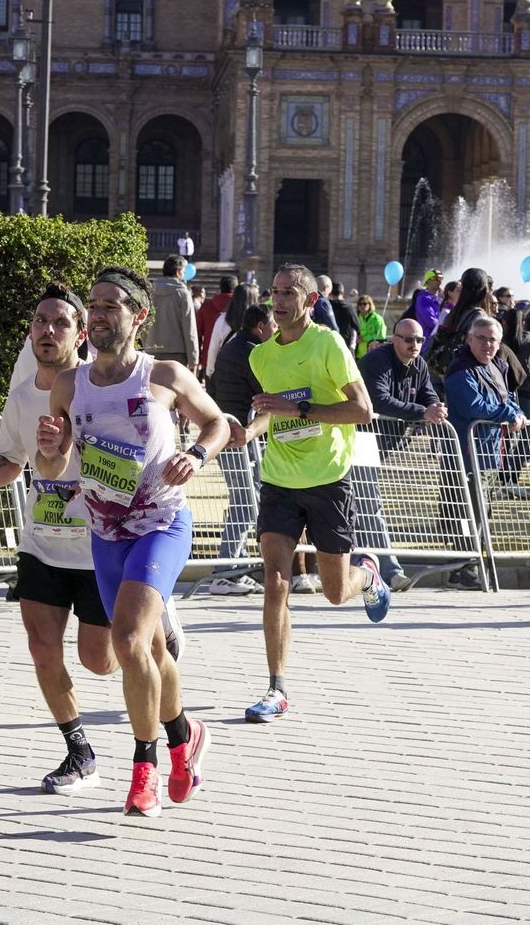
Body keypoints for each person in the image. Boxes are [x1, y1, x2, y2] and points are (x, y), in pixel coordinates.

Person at [35, 266, 230, 817]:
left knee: (127, 642)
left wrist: (196, 455)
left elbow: (218, 423)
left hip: (161, 523)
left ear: (138, 317)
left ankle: (143, 769)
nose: (97, 315)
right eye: (92, 307)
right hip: (105, 531)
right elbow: (56, 458)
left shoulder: (162, 375)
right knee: (150, 650)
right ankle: (183, 734)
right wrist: (52, 443)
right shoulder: (70, 385)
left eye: (110, 306)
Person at [0, 284, 120, 795]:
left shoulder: (99, 391)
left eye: (60, 323)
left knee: (100, 661)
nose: (48, 331)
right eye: (40, 322)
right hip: (42, 546)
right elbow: (11, 463)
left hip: (98, 549)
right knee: (43, 648)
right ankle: (79, 751)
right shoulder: (23, 396)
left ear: (81, 334)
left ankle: (158, 622)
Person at [232, 264, 390, 725]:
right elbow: (272, 414)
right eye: (274, 292)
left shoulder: (327, 344)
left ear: (310, 301)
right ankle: (276, 688)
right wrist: (251, 429)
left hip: (327, 478)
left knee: (336, 592)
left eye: (288, 294)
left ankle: (369, 575)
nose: (278, 301)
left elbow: (363, 410)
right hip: (280, 478)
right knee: (276, 580)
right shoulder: (261, 356)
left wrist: (298, 406)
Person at [358, 316, 447, 590]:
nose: (415, 344)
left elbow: (427, 393)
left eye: (420, 339)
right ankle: (391, 571)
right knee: (369, 506)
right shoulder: (377, 361)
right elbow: (380, 400)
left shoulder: (419, 364)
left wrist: (435, 407)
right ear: (394, 338)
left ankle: (359, 565)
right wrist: (423, 412)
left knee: (358, 507)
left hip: (382, 444)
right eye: (408, 339)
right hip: (357, 439)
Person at [209, 298, 273, 592]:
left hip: (228, 430)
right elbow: (266, 393)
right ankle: (224, 570)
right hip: (238, 434)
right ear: (261, 327)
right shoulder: (253, 352)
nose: (276, 329)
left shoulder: (232, 345)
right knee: (246, 502)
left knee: (245, 499)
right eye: (273, 324)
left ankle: (233, 566)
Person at [144, 255, 199, 370]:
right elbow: (189, 327)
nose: (184, 274)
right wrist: (193, 357)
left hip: (151, 350)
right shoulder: (182, 293)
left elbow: (144, 321)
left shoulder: (149, 291)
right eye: (183, 271)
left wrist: (146, 345)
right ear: (178, 271)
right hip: (177, 352)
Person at [195, 274, 235, 368]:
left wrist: (199, 358)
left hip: (208, 358)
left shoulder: (205, 307)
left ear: (220, 288)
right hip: (234, 359)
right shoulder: (242, 309)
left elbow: (198, 334)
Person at [327, 281, 361, 353]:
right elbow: (356, 327)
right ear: (342, 293)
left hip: (328, 346)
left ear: (330, 292)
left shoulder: (326, 308)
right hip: (345, 347)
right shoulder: (349, 308)